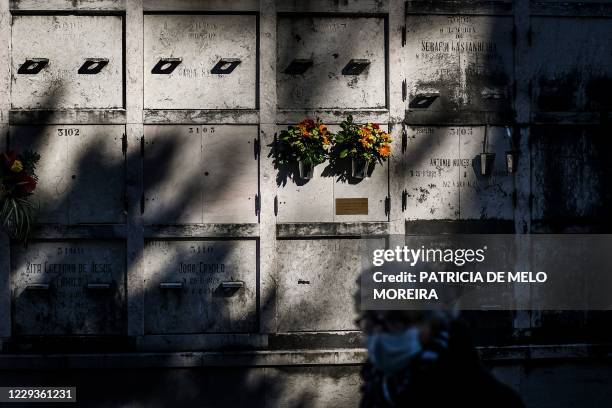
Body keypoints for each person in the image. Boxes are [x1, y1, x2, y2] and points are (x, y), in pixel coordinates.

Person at [357, 309, 525, 407]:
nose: (379, 333)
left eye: (396, 320)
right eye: (371, 320)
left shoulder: (491, 398)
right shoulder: (379, 386)